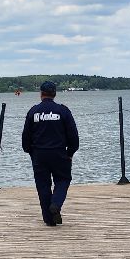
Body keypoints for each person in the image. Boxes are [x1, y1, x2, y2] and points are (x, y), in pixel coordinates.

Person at [21, 80, 79, 226]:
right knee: (63, 180)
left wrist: (31, 152)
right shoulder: (63, 111)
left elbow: (25, 137)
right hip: (60, 153)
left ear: (41, 94)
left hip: (39, 154)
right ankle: (56, 204)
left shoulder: (33, 111)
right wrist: (71, 152)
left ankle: (48, 219)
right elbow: (73, 135)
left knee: (43, 185)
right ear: (55, 94)